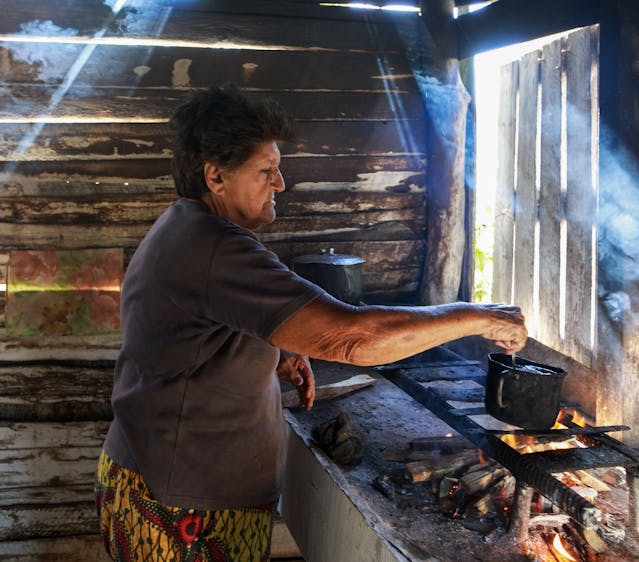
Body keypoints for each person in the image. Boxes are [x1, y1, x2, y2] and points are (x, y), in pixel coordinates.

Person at [95, 83, 527, 562]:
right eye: (266, 171)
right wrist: (478, 316)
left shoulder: (186, 227)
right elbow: (354, 338)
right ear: (216, 177)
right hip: (182, 508)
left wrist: (272, 349)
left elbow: (195, 333)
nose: (280, 183)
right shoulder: (215, 245)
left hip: (169, 482)